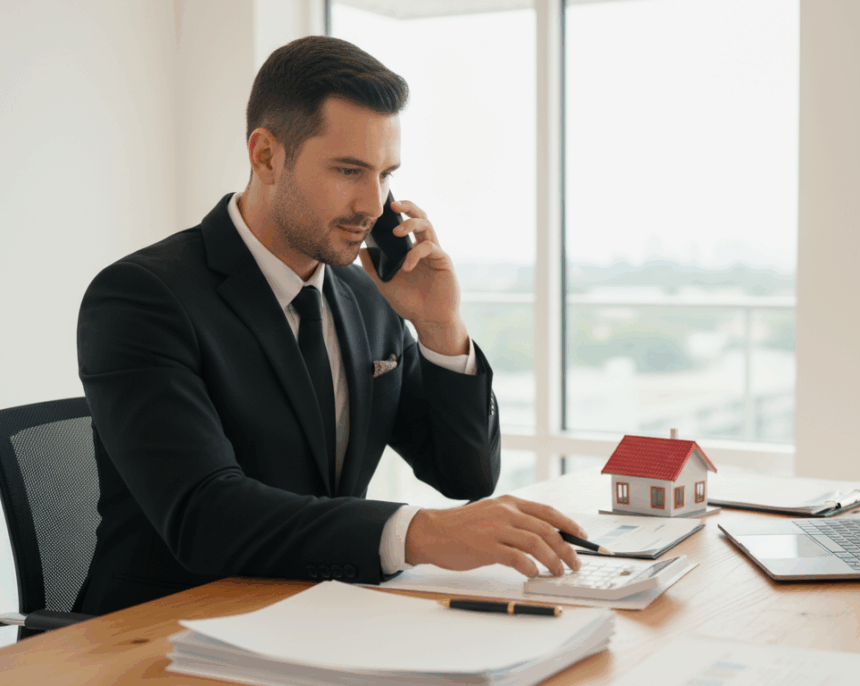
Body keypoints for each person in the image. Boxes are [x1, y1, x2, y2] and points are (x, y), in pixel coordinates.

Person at [74, 35, 584, 616]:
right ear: (266, 156)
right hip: (163, 629)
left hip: (316, 614)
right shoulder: (142, 298)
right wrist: (417, 533)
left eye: (386, 174)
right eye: (348, 170)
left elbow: (465, 476)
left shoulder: (368, 298)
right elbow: (204, 515)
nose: (373, 204)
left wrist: (440, 327)